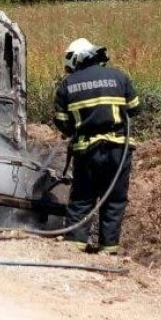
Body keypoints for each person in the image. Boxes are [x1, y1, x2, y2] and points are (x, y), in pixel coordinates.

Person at [53, 38, 140, 254]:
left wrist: (77, 128)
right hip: (119, 150)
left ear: (76, 59)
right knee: (114, 200)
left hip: (87, 152)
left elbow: (62, 122)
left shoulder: (68, 84)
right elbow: (135, 108)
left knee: (83, 198)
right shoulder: (119, 77)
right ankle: (108, 250)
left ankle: (75, 246)